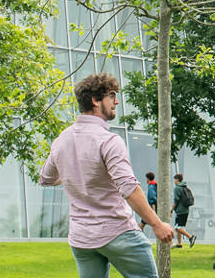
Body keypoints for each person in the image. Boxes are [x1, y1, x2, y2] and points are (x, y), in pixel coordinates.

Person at [39, 73, 175, 278]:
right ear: (95, 100)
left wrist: (75, 174)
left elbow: (46, 178)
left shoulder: (62, 140)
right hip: (117, 232)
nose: (116, 101)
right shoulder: (109, 141)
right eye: (111, 96)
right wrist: (157, 224)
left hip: (82, 239)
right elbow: (129, 188)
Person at [172, 173, 196, 247]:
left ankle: (190, 237)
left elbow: (176, 200)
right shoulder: (184, 186)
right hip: (185, 210)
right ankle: (179, 244)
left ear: (177, 180)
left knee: (177, 228)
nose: (174, 181)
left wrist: (171, 209)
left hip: (180, 211)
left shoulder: (177, 188)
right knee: (179, 227)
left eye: (174, 179)